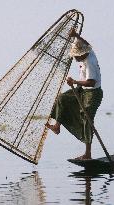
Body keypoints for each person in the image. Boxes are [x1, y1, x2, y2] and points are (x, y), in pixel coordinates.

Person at [46, 28, 103, 160]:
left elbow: (91, 82)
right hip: (82, 90)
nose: (75, 58)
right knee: (62, 98)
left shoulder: (90, 63)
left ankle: (87, 154)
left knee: (86, 118)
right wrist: (76, 35)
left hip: (92, 93)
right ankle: (56, 126)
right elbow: (86, 43)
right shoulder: (89, 51)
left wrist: (74, 81)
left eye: (77, 56)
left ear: (83, 54)